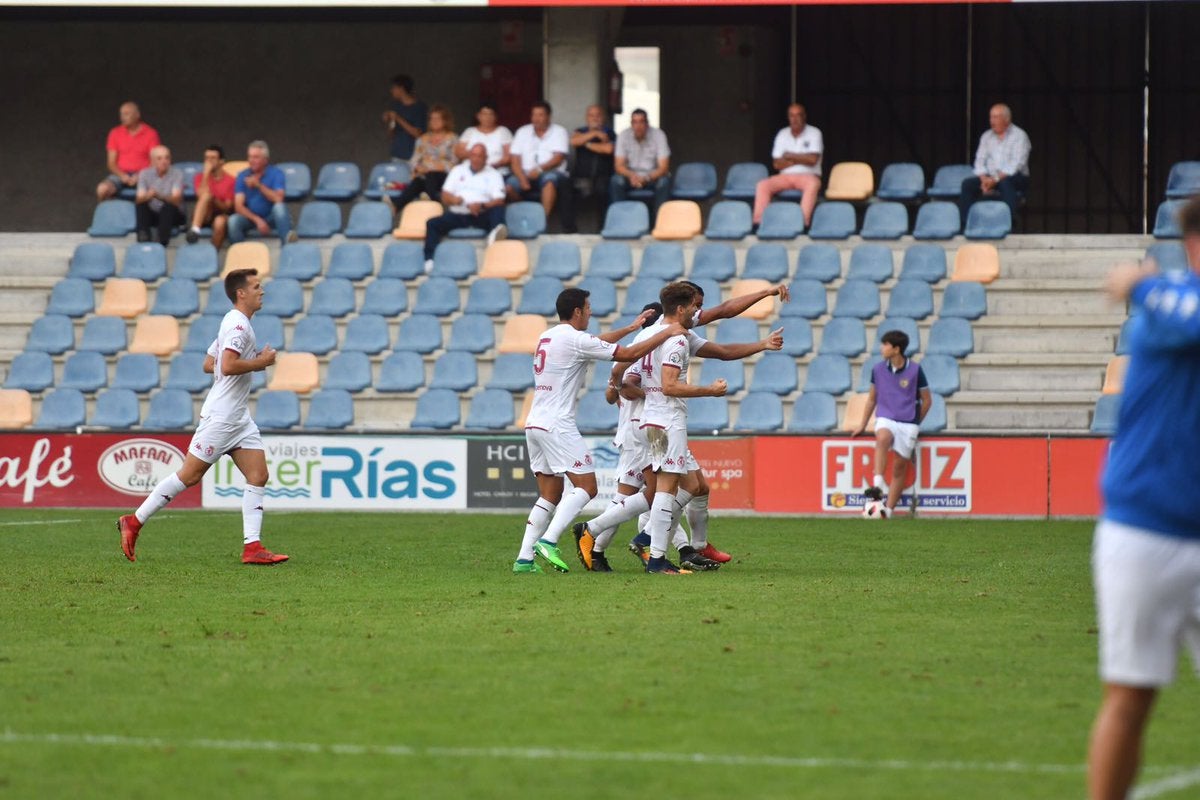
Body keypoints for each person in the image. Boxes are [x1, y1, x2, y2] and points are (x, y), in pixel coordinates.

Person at [1087, 196, 1200, 800]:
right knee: (1129, 696)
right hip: (1145, 529)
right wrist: (1148, 289)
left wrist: (1140, 284)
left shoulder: (1158, 295)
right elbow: (1189, 315)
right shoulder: (1168, 306)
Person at [572, 281, 787, 572]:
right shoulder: (675, 339)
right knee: (660, 492)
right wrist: (709, 391)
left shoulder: (652, 334)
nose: (700, 312)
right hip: (660, 420)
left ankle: (659, 548)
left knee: (679, 488)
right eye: (696, 306)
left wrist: (762, 341)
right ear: (682, 308)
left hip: (652, 420)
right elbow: (667, 385)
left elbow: (621, 367)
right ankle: (634, 545)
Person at [117, 268, 288, 566]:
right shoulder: (238, 326)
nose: (262, 291)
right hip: (221, 417)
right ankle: (134, 521)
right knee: (190, 476)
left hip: (238, 419)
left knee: (258, 475)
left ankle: (253, 548)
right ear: (241, 293)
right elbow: (227, 364)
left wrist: (237, 364)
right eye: (257, 287)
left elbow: (209, 363)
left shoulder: (235, 323)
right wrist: (259, 363)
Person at [513, 288, 684, 574]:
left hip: (534, 423)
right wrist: (665, 333)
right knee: (587, 487)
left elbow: (594, 344)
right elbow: (627, 353)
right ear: (578, 311)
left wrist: (630, 328)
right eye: (588, 307)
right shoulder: (574, 339)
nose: (591, 312)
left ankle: (524, 559)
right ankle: (549, 541)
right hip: (558, 424)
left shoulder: (549, 336)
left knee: (549, 495)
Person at [850, 330, 932, 517]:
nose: (882, 348)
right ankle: (877, 484)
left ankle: (888, 510)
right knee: (883, 436)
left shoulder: (915, 370)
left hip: (908, 422)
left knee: (899, 467)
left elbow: (927, 400)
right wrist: (863, 425)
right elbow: (872, 399)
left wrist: (916, 422)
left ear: (896, 349)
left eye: (885, 344)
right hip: (886, 417)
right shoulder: (877, 369)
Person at [422, 143, 508, 274]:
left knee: (498, 210)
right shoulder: (458, 170)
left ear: (486, 158)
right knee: (432, 223)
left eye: (480, 156)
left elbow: (499, 199)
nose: (476, 158)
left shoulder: (494, 174)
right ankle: (429, 261)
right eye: (473, 155)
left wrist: (482, 205)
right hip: (459, 213)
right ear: (469, 156)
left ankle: (495, 238)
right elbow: (445, 195)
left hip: (481, 214)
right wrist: (455, 200)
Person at [507, 100, 575, 232]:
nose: (536, 119)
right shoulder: (522, 131)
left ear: (549, 117)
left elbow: (558, 158)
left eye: (540, 115)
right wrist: (522, 178)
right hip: (524, 173)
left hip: (551, 172)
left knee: (549, 180)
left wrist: (539, 169)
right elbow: (514, 160)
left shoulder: (559, 131)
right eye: (534, 115)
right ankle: (523, 219)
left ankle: (541, 223)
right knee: (509, 186)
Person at [753, 103, 823, 228]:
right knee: (762, 185)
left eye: (798, 115)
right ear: (788, 118)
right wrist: (801, 158)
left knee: (813, 184)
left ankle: (801, 223)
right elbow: (777, 164)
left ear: (804, 116)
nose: (795, 119)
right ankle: (759, 223)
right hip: (785, 177)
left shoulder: (814, 132)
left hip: (807, 176)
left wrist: (790, 156)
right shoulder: (782, 134)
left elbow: (812, 160)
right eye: (791, 116)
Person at [958, 103, 1031, 223]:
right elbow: (979, 161)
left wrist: (995, 180)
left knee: (1006, 183)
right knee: (967, 184)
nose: (992, 121)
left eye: (996, 117)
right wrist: (984, 180)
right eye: (991, 117)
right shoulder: (986, 136)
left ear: (1006, 119)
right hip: (990, 178)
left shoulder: (1019, 136)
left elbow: (1016, 165)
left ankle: (1009, 222)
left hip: (1015, 177)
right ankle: (965, 224)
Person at [389, 105, 458, 214]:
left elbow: (454, 163)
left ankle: (397, 204)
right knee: (419, 180)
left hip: (444, 176)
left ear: (445, 121)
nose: (434, 121)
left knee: (429, 176)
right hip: (424, 175)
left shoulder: (453, 139)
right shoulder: (422, 139)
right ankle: (395, 207)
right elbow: (413, 160)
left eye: (437, 118)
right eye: (431, 118)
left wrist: (430, 167)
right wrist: (418, 167)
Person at [227, 140, 292, 245]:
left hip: (271, 217)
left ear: (265, 160)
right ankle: (240, 256)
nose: (251, 160)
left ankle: (288, 249)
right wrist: (257, 220)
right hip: (251, 218)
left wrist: (258, 185)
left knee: (279, 208)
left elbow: (279, 199)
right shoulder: (243, 175)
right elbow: (238, 206)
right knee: (233, 220)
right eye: (250, 157)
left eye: (256, 157)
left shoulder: (277, 173)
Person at [609, 108, 672, 215]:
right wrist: (632, 176)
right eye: (634, 122)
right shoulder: (623, 135)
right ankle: (620, 221)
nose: (638, 126)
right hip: (630, 177)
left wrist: (646, 178)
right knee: (616, 181)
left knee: (664, 182)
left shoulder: (659, 135)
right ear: (631, 124)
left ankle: (659, 223)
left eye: (641, 122)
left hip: (652, 177)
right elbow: (618, 166)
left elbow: (663, 167)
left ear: (647, 124)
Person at [97, 101, 160, 202]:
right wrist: (123, 176)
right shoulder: (115, 133)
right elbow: (111, 163)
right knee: (102, 189)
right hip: (120, 175)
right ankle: (106, 215)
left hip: (144, 175)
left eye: (127, 114)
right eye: (121, 114)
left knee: (156, 193)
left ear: (137, 115)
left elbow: (155, 161)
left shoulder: (150, 133)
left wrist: (140, 176)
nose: (123, 117)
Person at [186, 145, 236, 247]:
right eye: (207, 158)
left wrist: (214, 199)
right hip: (204, 214)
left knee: (220, 222)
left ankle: (212, 254)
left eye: (213, 158)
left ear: (221, 161)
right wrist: (206, 174)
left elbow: (227, 207)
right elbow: (200, 195)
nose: (209, 161)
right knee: (206, 196)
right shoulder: (199, 177)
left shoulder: (231, 180)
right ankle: (194, 230)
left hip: (221, 213)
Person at [134, 145, 184, 245]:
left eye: (167, 158)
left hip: (173, 215)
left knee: (169, 206)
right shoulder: (144, 174)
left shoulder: (177, 174)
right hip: (154, 213)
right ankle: (143, 237)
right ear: (152, 161)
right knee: (141, 205)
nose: (164, 161)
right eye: (159, 158)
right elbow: (138, 199)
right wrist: (149, 195)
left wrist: (159, 196)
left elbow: (176, 200)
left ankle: (162, 242)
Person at [570, 104, 616, 211]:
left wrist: (586, 144)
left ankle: (603, 225)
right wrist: (594, 133)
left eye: (598, 115)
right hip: (581, 177)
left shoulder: (610, 132)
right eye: (591, 115)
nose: (595, 118)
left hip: (603, 178)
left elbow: (608, 149)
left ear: (603, 117)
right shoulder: (580, 131)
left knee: (604, 190)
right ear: (587, 118)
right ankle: (569, 227)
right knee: (566, 187)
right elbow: (574, 141)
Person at [454, 101, 512, 175]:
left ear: (496, 116)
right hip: (470, 172)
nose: (487, 117)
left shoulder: (503, 131)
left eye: (491, 114)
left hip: (497, 172)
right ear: (478, 116)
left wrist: (492, 166)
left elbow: (508, 157)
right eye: (484, 114)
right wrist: (476, 157)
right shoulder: (470, 131)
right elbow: (459, 152)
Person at [382, 74, 428, 162]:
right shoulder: (396, 106)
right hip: (397, 155)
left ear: (401, 89)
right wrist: (390, 120)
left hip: (414, 156)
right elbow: (391, 134)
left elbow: (418, 134)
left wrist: (398, 118)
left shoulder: (419, 107)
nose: (391, 91)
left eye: (394, 88)